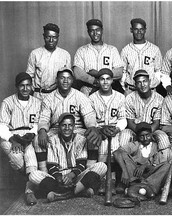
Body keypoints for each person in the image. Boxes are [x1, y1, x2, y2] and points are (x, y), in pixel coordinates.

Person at [34, 67, 102, 173]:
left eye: (68, 78)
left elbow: (89, 115)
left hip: (76, 129)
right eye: (62, 78)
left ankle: (88, 172)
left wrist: (92, 127)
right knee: (38, 139)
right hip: (56, 130)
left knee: (92, 136)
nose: (65, 81)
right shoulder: (49, 98)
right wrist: (42, 130)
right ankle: (44, 173)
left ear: (72, 80)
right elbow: (44, 119)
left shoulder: (80, 96)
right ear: (57, 80)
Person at [29, 113, 107, 202]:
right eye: (64, 125)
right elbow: (52, 166)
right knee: (33, 175)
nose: (67, 128)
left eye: (70, 125)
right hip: (58, 179)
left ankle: (64, 194)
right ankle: (79, 191)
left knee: (102, 166)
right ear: (59, 127)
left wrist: (71, 176)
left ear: (74, 127)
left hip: (77, 177)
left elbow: (81, 164)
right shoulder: (52, 140)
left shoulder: (80, 139)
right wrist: (60, 179)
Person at [0, 73, 41, 205]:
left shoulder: (37, 102)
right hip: (10, 136)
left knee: (30, 158)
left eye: (28, 85)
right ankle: (32, 179)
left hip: (28, 136)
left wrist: (31, 135)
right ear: (17, 86)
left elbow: (38, 124)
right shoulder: (8, 102)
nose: (25, 88)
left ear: (32, 86)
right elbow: (2, 126)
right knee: (18, 159)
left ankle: (29, 192)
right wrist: (13, 140)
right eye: (22, 85)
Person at [89, 68, 127, 193]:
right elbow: (90, 119)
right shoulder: (92, 97)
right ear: (98, 81)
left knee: (116, 145)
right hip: (100, 129)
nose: (105, 82)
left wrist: (117, 129)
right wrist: (99, 129)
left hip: (114, 129)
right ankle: (103, 180)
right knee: (101, 145)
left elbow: (123, 119)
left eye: (108, 79)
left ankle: (115, 180)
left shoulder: (120, 97)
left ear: (112, 81)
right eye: (102, 79)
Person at [121, 69, 170, 155]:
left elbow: (156, 122)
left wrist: (147, 134)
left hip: (152, 130)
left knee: (163, 138)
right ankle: (127, 165)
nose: (142, 85)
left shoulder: (159, 99)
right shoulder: (129, 98)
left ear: (149, 81)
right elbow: (130, 122)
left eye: (145, 81)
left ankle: (161, 166)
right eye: (139, 82)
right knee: (125, 136)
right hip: (134, 129)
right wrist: (141, 133)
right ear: (135, 84)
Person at [113, 122, 170, 195]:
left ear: (151, 135)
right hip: (135, 175)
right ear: (138, 137)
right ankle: (136, 186)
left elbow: (155, 166)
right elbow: (116, 153)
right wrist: (124, 171)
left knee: (167, 165)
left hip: (150, 176)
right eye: (142, 136)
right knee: (123, 154)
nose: (145, 138)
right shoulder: (135, 145)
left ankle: (148, 187)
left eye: (147, 135)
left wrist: (145, 166)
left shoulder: (156, 146)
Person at [73, 19, 124, 96]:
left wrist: (98, 74)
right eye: (92, 30)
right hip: (88, 89)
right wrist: (93, 80)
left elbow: (119, 72)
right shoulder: (82, 50)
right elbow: (78, 73)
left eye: (98, 30)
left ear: (102, 30)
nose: (95, 33)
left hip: (109, 89)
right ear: (88, 32)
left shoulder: (112, 50)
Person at [26, 23, 71, 100]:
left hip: (57, 95)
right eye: (48, 37)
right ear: (44, 37)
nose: (51, 40)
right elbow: (29, 76)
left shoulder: (65, 54)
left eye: (54, 37)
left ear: (58, 37)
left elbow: (68, 78)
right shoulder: (35, 53)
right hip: (39, 95)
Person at [120, 18, 164, 96]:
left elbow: (159, 71)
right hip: (131, 90)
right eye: (136, 29)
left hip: (150, 90)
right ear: (131, 30)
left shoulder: (154, 49)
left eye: (141, 29)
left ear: (145, 30)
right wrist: (126, 86)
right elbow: (123, 72)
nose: (139, 32)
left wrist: (152, 85)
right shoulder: (125, 50)